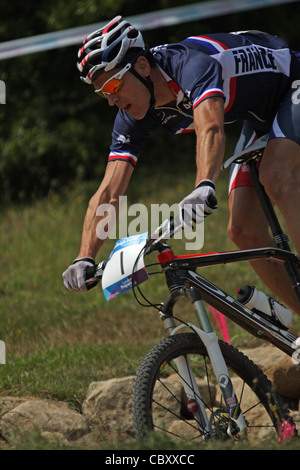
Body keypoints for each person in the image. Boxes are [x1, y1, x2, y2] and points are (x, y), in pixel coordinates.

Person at [62, 15, 300, 326]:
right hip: (260, 117)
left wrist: (204, 185)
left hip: (293, 81)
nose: (111, 100)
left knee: (275, 175)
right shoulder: (132, 116)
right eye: (102, 92)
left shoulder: (191, 66)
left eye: (113, 84)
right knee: (241, 229)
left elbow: (211, 128)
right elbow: (109, 190)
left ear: (143, 67)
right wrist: (85, 257)